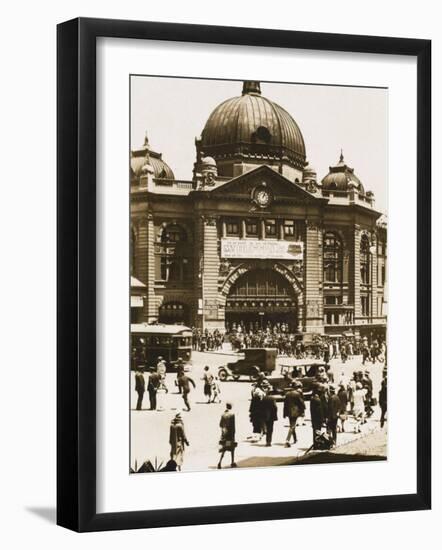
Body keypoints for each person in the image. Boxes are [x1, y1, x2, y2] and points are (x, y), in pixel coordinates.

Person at [283, 381, 305, 447]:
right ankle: (287, 440)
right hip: (295, 412)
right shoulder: (297, 394)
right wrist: (303, 411)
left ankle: (295, 439)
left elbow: (285, 405)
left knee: (292, 425)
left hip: (289, 412)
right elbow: (301, 403)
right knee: (292, 426)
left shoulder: (287, 394)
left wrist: (284, 413)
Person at [218, 402, 237, 469]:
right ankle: (232, 462)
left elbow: (220, 425)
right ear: (231, 407)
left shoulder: (223, 414)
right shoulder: (232, 414)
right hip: (230, 434)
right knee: (231, 448)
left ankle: (220, 462)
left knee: (224, 448)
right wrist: (233, 433)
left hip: (224, 434)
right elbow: (233, 425)